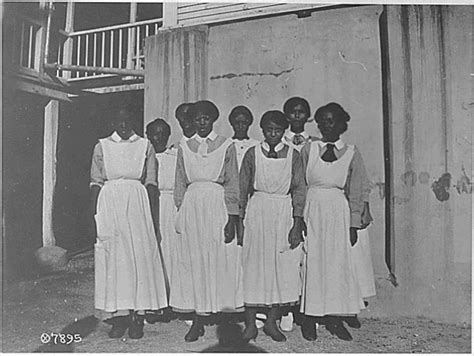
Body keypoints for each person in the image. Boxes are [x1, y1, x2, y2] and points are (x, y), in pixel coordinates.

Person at [90, 107, 168, 339]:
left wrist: (153, 220)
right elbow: (95, 182)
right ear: (113, 120)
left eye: (127, 120)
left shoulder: (145, 145)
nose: (123, 125)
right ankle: (119, 317)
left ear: (134, 121)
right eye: (118, 120)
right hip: (110, 204)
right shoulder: (102, 145)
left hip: (137, 204)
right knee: (115, 260)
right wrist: (96, 216)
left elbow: (151, 182)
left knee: (136, 259)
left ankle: (136, 316)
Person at [170, 100, 244, 342]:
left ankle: (221, 315)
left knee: (219, 259)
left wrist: (232, 218)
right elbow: (180, 181)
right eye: (197, 119)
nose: (201, 123)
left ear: (213, 119)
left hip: (217, 205)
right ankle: (197, 320)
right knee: (194, 261)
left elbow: (232, 183)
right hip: (192, 207)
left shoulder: (226, 145)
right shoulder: (185, 146)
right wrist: (181, 211)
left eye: (206, 118)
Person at [300, 102, 368, 341]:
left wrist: (353, 224)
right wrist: (299, 217)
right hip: (313, 208)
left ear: (341, 124)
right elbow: (299, 184)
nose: (325, 126)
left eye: (331, 121)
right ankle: (309, 318)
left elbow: (357, 191)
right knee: (312, 262)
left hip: (338, 211)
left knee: (337, 265)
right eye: (321, 121)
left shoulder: (351, 152)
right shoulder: (309, 149)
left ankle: (334, 319)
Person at [239, 110, 306, 343]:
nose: (273, 134)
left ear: (284, 131)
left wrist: (297, 223)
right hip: (258, 212)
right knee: (253, 266)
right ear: (262, 130)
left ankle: (271, 322)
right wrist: (240, 221)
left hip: (282, 212)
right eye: (269, 130)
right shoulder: (252, 154)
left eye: (278, 130)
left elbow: (299, 190)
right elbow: (242, 189)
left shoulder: (294, 156)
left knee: (282, 267)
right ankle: (249, 324)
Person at [281, 96, 316, 331]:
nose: (296, 115)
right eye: (292, 112)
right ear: (286, 116)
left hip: (309, 203)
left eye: (301, 112)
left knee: (308, 257)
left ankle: (307, 308)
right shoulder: (278, 140)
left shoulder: (315, 144)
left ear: (308, 116)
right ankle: (287, 308)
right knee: (287, 256)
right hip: (285, 204)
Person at [145, 118, 178, 323]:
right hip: (151, 205)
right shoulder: (143, 156)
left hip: (171, 206)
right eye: (155, 133)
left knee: (172, 253)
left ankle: (174, 302)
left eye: (163, 133)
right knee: (154, 254)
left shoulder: (175, 156)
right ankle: (154, 303)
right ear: (148, 135)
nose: (159, 137)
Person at [228, 105, 259, 170]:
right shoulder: (226, 144)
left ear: (249, 123)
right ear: (231, 123)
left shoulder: (257, 145)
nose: (240, 126)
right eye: (237, 123)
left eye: (244, 123)